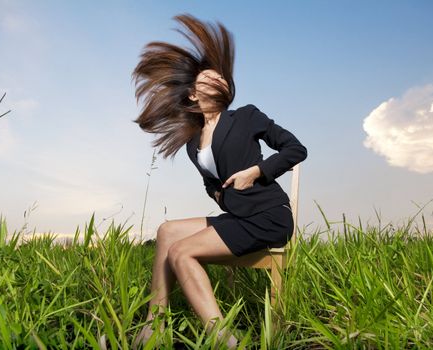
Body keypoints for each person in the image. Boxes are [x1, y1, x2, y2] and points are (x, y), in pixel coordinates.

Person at [131, 13, 307, 349]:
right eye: (209, 78)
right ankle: (155, 327)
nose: (218, 80)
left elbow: (295, 149)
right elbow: (209, 184)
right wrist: (221, 196)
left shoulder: (246, 117)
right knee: (167, 231)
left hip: (268, 216)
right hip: (239, 217)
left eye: (221, 77)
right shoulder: (192, 144)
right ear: (193, 95)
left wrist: (257, 172)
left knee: (182, 252)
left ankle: (225, 340)